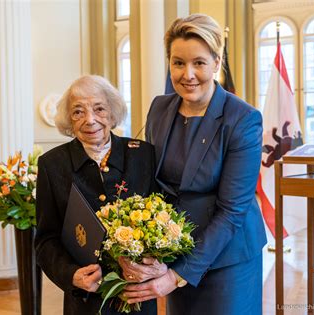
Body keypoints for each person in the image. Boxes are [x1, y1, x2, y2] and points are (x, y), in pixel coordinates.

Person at [120, 14, 267, 314]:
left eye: (199, 62)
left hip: (229, 258)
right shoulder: (160, 109)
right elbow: (151, 185)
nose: (187, 74)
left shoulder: (243, 119)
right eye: (178, 63)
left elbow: (231, 212)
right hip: (175, 251)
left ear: (217, 61)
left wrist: (177, 276)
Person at [35, 75, 161, 315]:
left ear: (112, 114)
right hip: (87, 301)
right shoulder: (52, 165)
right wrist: (71, 275)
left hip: (137, 296)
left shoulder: (143, 155)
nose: (90, 120)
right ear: (69, 121)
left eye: (99, 109)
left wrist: (155, 265)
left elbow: (163, 217)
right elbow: (45, 240)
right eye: (78, 112)